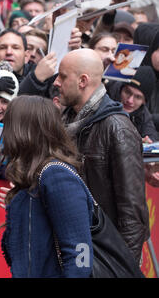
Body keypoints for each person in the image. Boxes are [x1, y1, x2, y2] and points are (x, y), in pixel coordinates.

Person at [53, 48, 150, 263]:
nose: (56, 82)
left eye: (62, 76)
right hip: (71, 249)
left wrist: (124, 266)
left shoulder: (117, 128)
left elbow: (133, 211)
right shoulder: (64, 121)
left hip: (102, 254)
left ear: (83, 81)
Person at [0, 95, 93, 278]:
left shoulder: (56, 175)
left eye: (8, 125)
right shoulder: (34, 176)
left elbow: (80, 256)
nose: (4, 133)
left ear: (22, 131)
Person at [106, 66, 158, 141]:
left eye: (138, 97)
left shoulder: (143, 113)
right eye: (127, 92)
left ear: (144, 102)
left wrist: (147, 141)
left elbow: (151, 135)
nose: (130, 100)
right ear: (121, 89)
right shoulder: (106, 97)